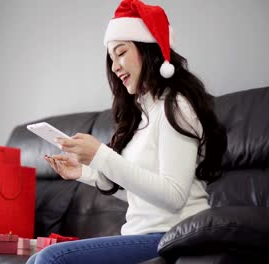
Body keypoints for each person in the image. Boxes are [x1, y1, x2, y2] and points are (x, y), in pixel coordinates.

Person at [26, 0, 227, 263]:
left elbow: (174, 197)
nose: (114, 66)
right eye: (111, 58)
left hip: (174, 236)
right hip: (143, 235)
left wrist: (101, 155)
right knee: (37, 259)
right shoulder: (143, 115)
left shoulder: (176, 106)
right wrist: (85, 173)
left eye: (120, 53)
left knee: (51, 258)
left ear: (148, 50)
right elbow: (143, 195)